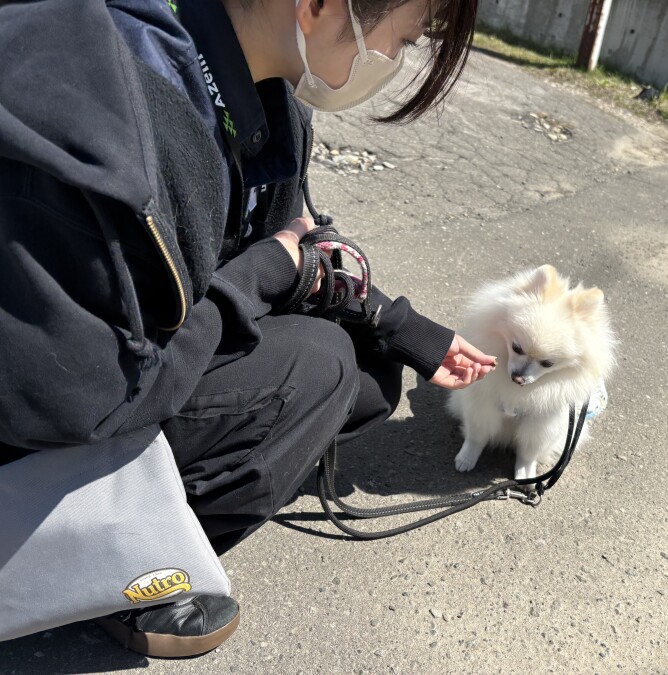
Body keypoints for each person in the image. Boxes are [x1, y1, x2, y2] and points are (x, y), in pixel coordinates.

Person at [0, 0, 489, 658]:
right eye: (400, 41)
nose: (392, 61)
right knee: (320, 370)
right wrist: (258, 279)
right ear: (316, 6)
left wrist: (402, 327)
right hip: (55, 417)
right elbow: (79, 402)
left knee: (372, 376)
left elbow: (295, 238)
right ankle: (120, 568)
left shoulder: (260, 94)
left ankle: (186, 492)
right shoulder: (113, 114)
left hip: (133, 357)